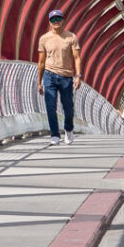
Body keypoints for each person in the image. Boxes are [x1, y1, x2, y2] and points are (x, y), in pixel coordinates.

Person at [37, 8, 82, 146]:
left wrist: (78, 76)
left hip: (66, 76)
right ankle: (55, 135)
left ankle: (68, 130)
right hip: (49, 75)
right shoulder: (44, 39)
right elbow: (41, 61)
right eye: (53, 19)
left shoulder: (71, 37)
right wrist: (39, 82)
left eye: (58, 19)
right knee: (50, 106)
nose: (56, 21)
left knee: (68, 107)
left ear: (63, 20)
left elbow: (77, 58)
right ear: (50, 22)